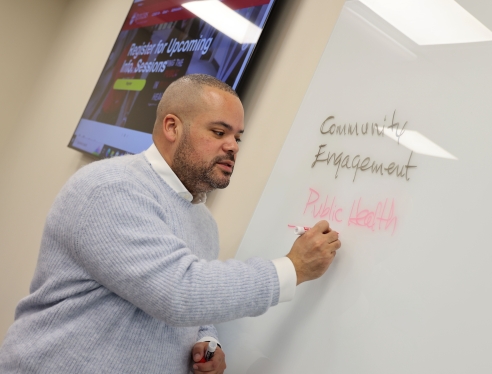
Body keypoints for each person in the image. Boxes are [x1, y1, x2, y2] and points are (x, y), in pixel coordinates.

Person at [0, 74, 341, 374]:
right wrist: (292, 268)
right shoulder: (111, 188)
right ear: (172, 127)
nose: (233, 147)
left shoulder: (204, 222)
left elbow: (191, 304)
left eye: (238, 137)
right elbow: (179, 292)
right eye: (219, 131)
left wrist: (207, 339)